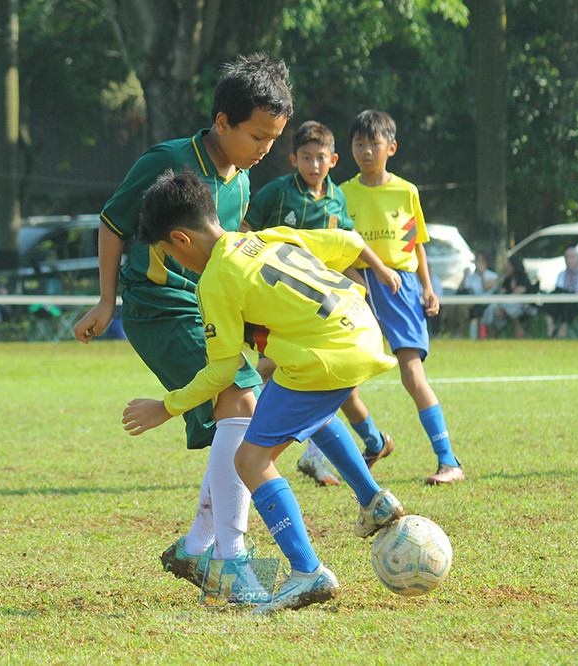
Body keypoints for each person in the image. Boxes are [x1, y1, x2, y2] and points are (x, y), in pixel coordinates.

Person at [122, 169, 406, 613]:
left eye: (169, 254)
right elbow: (349, 241)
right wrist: (382, 267)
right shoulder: (267, 237)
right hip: (361, 331)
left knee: (250, 460)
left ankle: (308, 571)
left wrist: (167, 406)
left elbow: (221, 372)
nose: (177, 263)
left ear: (180, 239)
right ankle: (374, 501)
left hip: (326, 354)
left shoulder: (216, 280)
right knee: (309, 410)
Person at [72, 53, 293, 590]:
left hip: (206, 311)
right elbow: (112, 222)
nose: (265, 150)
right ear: (223, 122)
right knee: (242, 403)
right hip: (158, 308)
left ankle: (197, 548)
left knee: (239, 415)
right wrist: (106, 301)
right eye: (258, 136)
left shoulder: (241, 180)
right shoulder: (167, 160)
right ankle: (229, 560)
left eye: (273, 139)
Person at [244, 120, 400, 486]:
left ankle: (366, 443)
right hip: (280, 298)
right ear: (293, 159)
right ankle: (352, 447)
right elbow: (245, 230)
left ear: (333, 160)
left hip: (321, 301)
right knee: (274, 369)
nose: (313, 165)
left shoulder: (336, 198)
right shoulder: (277, 193)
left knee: (337, 386)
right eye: (306, 157)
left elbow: (346, 241)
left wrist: (371, 275)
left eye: (320, 158)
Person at [340, 110, 465, 485]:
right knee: (341, 381)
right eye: (359, 144)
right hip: (355, 285)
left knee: (412, 374)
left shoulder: (406, 191)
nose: (366, 151)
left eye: (373, 143)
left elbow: (416, 243)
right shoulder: (342, 193)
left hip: (399, 285)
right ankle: (374, 441)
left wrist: (427, 287)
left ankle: (448, 461)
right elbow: (339, 244)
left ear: (391, 147)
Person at [445, 251, 498, 339]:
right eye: (477, 260)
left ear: (486, 263)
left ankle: (462, 333)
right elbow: (462, 289)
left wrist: (482, 274)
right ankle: (452, 333)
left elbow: (486, 288)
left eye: (481, 261)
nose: (478, 263)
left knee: (462, 306)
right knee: (450, 306)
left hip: (482, 303)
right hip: (468, 300)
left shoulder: (493, 276)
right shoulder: (472, 275)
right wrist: (465, 276)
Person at [544, 247, 578, 338]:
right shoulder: (562, 274)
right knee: (550, 300)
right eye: (567, 257)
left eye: (572, 257)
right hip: (561, 302)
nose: (569, 260)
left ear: (577, 258)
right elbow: (559, 290)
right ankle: (551, 326)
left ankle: (563, 328)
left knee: (568, 302)